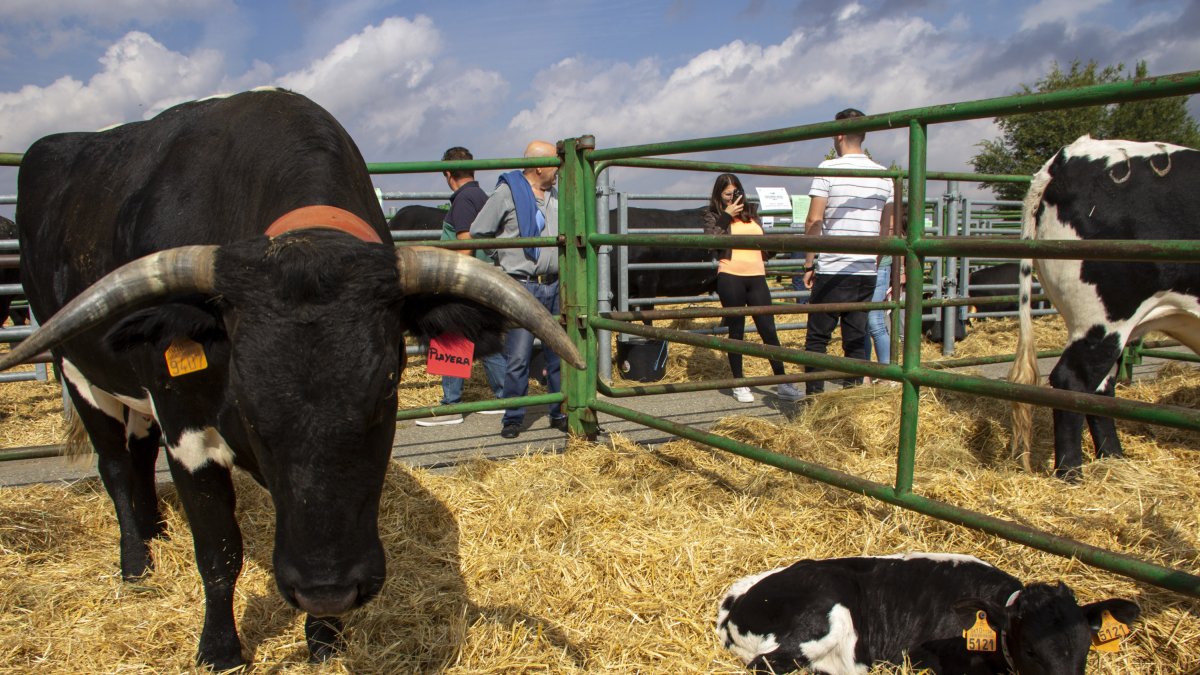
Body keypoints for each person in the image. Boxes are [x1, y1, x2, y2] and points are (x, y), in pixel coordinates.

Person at [469, 140, 566, 439]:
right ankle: (513, 417)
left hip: (553, 283)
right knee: (519, 357)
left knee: (558, 353)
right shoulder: (507, 193)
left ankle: (559, 411)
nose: (559, 170)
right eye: (555, 164)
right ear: (540, 166)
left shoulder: (556, 195)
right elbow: (478, 231)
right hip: (521, 286)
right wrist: (501, 263)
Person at [802, 108, 895, 396]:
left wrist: (808, 263)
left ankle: (814, 400)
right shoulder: (884, 176)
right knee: (855, 338)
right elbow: (888, 228)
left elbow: (814, 220)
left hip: (833, 268)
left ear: (839, 134)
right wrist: (875, 261)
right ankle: (851, 401)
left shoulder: (828, 169)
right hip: (865, 269)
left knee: (817, 339)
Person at [417, 147, 508, 426]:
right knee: (483, 338)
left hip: (465, 281)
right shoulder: (480, 196)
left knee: (450, 335)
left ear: (447, 173)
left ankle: (451, 406)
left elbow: (465, 243)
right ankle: (507, 398)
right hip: (482, 280)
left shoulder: (464, 199)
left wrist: (449, 284)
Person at [702, 173, 802, 404]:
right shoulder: (713, 215)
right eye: (727, 194)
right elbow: (709, 242)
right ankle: (739, 383)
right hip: (731, 275)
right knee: (736, 331)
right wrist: (726, 216)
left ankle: (783, 382)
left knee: (768, 329)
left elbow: (764, 241)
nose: (732, 198)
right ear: (719, 195)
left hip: (757, 276)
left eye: (735, 193)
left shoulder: (752, 212)